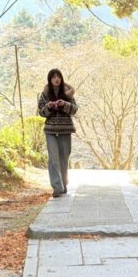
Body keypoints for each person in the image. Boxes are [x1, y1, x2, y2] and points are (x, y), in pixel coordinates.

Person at [38, 68, 78, 197]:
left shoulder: (68, 93)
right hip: (50, 130)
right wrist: (48, 107)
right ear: (49, 80)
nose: (56, 79)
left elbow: (74, 110)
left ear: (61, 78)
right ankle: (56, 187)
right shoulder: (44, 94)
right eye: (53, 77)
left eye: (58, 76)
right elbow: (41, 112)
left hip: (65, 130)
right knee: (53, 159)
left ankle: (63, 184)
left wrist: (64, 104)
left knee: (63, 158)